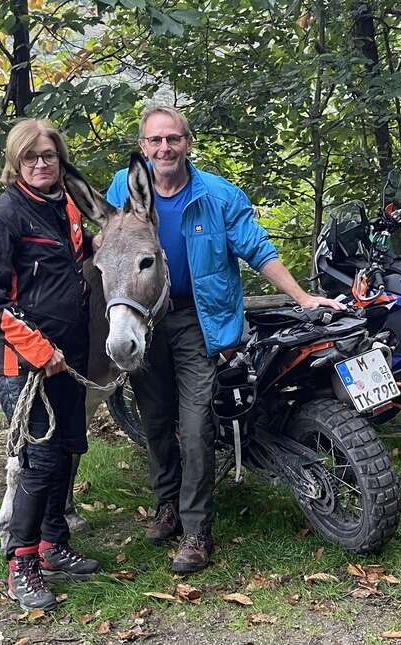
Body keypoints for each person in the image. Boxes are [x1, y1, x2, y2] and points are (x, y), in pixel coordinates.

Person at [105, 106, 344, 573]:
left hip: (200, 324)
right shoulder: (123, 188)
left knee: (195, 429)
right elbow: (104, 244)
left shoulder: (217, 195)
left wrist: (301, 296)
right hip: (143, 321)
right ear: (143, 147)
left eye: (172, 139)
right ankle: (166, 505)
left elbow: (257, 248)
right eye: (154, 141)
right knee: (155, 421)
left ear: (188, 144)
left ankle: (196, 532)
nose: (164, 148)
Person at [0, 118, 99, 611]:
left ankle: (51, 545)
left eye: (49, 156)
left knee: (67, 450)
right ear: (16, 162)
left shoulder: (64, 207)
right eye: (32, 157)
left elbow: (71, 261)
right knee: (39, 462)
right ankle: (20, 563)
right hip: (26, 366)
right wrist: (39, 352)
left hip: (70, 359)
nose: (42, 164)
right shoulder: (2, 217)